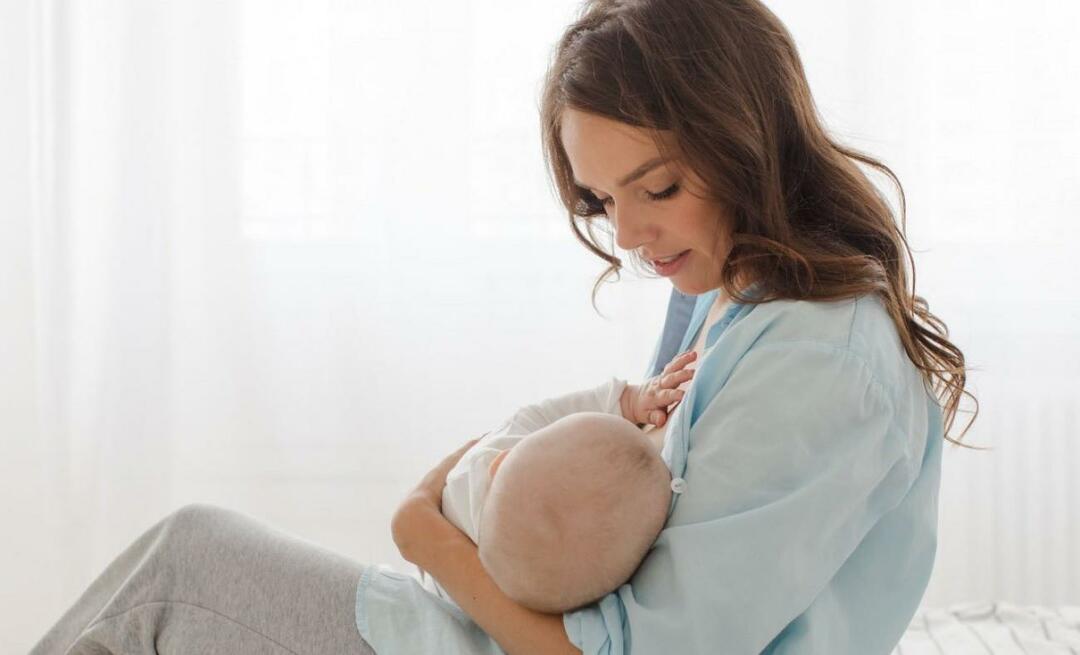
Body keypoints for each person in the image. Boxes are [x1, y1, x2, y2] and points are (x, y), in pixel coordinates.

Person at [32, 0, 976, 653]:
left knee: (181, 569)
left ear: (748, 139)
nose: (633, 236)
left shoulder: (819, 355)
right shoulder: (734, 291)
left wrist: (426, 534)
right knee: (187, 568)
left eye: (659, 187)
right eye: (604, 199)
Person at [422, 367, 695, 614]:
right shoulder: (550, 583)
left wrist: (628, 402)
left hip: (438, 582)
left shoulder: (481, 473)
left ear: (500, 461)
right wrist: (629, 401)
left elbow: (542, 415)